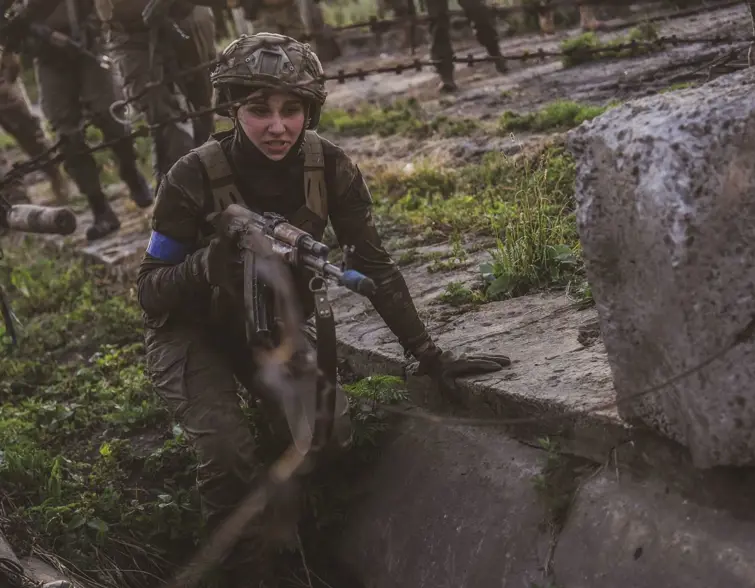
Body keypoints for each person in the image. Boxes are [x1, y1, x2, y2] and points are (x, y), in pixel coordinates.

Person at [136, 32, 510, 585]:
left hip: (271, 326)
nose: (277, 127)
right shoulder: (191, 176)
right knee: (225, 452)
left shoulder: (329, 167)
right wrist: (203, 267)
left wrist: (429, 355)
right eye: (259, 111)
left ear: (310, 112)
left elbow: (375, 267)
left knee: (329, 432)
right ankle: (245, 572)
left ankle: (307, 530)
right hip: (189, 332)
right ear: (233, 108)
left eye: (292, 111)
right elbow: (148, 290)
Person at [17, 0, 154, 241]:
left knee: (110, 114)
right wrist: (34, 32)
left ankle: (131, 173)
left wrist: (93, 26)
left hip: (88, 42)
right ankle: (100, 208)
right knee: (67, 134)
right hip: (47, 56)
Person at [0, 51, 70, 205]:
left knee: (31, 137)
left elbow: (8, 41)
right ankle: (11, 198)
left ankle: (56, 177)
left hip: (4, 88)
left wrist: (9, 76)